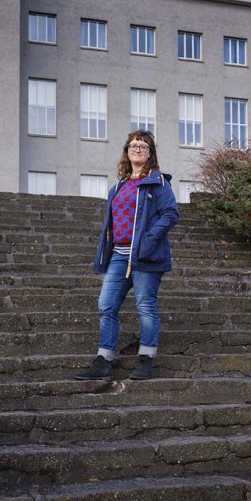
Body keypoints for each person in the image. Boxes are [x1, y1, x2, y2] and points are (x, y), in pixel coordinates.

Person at [74, 130, 179, 381]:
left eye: (143, 146)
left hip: (146, 256)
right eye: (133, 145)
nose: (137, 149)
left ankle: (146, 360)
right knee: (106, 305)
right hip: (119, 255)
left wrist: (147, 241)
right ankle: (104, 360)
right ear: (127, 151)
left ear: (150, 153)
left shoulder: (158, 183)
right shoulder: (118, 187)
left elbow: (170, 214)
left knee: (145, 305)